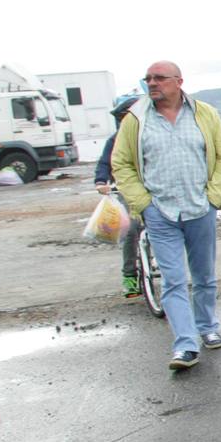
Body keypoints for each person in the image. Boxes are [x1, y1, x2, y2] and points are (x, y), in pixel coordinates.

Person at [111, 61, 221, 372]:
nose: (152, 83)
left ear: (178, 81)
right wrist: (144, 203)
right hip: (161, 212)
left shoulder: (204, 113)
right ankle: (185, 344)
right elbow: (122, 163)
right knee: (172, 280)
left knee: (204, 275)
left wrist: (214, 197)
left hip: (199, 208)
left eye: (159, 78)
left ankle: (207, 326)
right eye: (148, 79)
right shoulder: (136, 119)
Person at [94, 95, 142, 296]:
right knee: (130, 230)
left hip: (153, 188)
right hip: (126, 188)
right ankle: (129, 275)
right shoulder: (115, 140)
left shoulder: (152, 133)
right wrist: (100, 182)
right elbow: (105, 163)